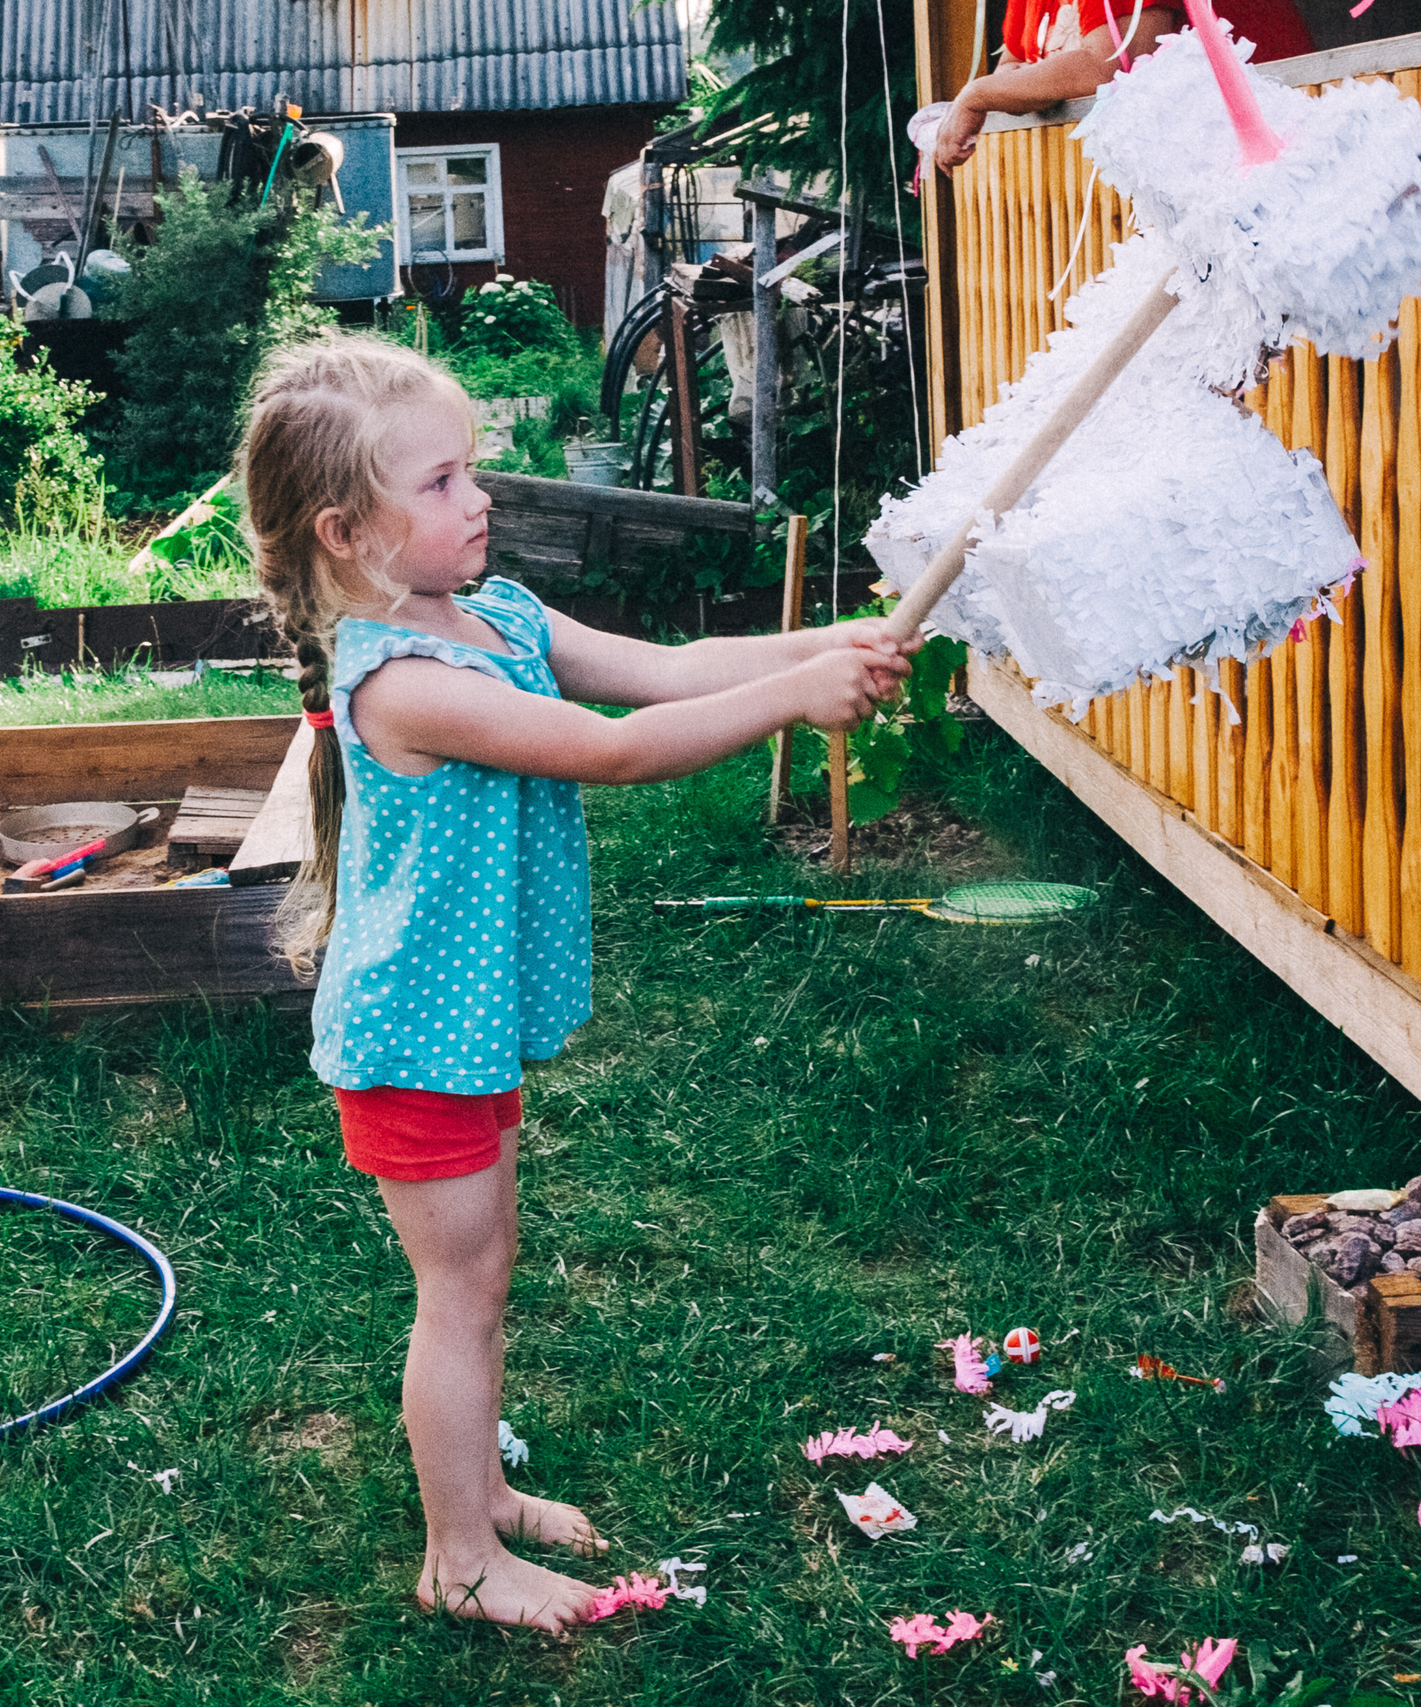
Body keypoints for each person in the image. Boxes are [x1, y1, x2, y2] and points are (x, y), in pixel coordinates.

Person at [242, 336, 914, 1633]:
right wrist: (797, 701)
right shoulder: (408, 683)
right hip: (410, 1040)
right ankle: (459, 1555)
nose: (479, 496)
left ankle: (480, 1486)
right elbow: (615, 748)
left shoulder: (496, 616)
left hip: (457, 1027)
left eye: (470, 468)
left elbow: (666, 668)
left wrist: (823, 643)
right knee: (462, 1284)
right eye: (440, 482)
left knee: (486, 1265)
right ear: (348, 530)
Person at [930, 0, 1314, 173]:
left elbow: (1112, 66)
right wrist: (989, 92)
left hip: (1274, 158)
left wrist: (975, 96)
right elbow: (1012, 66)